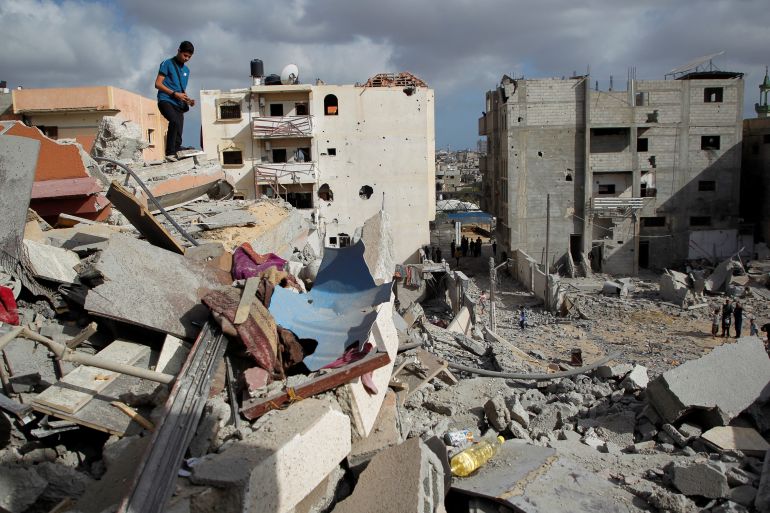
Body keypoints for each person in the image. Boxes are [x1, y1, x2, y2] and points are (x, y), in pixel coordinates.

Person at [155, 41, 195, 161]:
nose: (186, 58)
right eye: (185, 55)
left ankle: (177, 149)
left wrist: (188, 100)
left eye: (189, 57)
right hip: (165, 100)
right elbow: (157, 84)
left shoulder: (187, 70)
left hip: (178, 102)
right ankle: (170, 152)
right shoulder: (167, 63)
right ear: (178, 51)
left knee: (179, 128)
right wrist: (174, 94)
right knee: (174, 121)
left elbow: (180, 89)